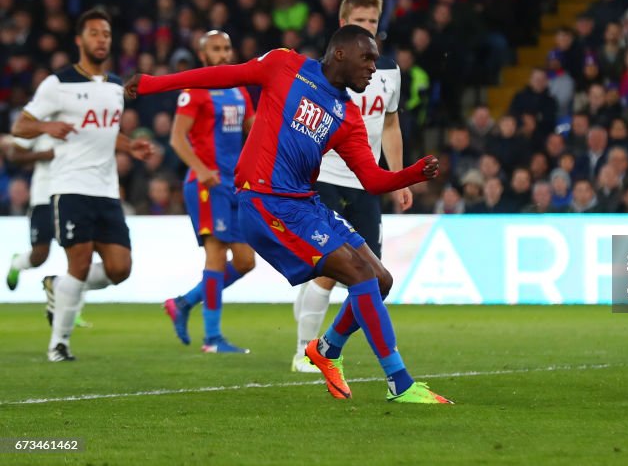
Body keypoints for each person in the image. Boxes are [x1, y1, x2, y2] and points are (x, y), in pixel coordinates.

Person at [126, 25, 452, 404]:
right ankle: (400, 382)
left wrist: (412, 173)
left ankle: (327, 350)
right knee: (359, 274)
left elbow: (373, 180)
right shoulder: (284, 65)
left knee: (380, 280)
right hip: (265, 203)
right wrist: (152, 83)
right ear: (341, 54)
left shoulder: (347, 116)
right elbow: (222, 75)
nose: (373, 70)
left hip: (303, 203)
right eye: (367, 59)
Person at [12, 8, 153, 362]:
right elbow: (20, 126)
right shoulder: (58, 84)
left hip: (106, 189)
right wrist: (46, 128)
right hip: (70, 186)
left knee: (121, 268)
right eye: (94, 33)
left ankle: (58, 287)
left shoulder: (115, 87)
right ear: (80, 40)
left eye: (105, 34)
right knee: (80, 261)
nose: (101, 39)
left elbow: (104, 132)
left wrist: (128, 144)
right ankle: (59, 343)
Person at [291, 0, 409, 373]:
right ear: (343, 24)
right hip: (325, 178)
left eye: (373, 22)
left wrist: (397, 177)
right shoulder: (327, 71)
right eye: (360, 22)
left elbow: (390, 125)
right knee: (332, 270)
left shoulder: (388, 71)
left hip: (366, 184)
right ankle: (303, 352)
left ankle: (325, 347)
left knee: (373, 278)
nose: (368, 28)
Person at [162, 30, 258, 354]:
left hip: (235, 184)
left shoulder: (240, 90)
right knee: (216, 255)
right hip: (206, 186)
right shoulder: (194, 92)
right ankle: (213, 338)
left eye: (227, 48)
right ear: (203, 56)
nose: (223, 54)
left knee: (246, 262)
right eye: (216, 49)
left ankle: (185, 302)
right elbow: (177, 139)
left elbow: (253, 129)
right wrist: (201, 169)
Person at [4, 134, 92, 327]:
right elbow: (14, 154)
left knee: (81, 255)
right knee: (40, 255)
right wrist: (46, 154)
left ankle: (73, 309)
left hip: (74, 196)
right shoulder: (40, 122)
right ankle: (17, 263)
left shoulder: (79, 123)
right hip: (44, 198)